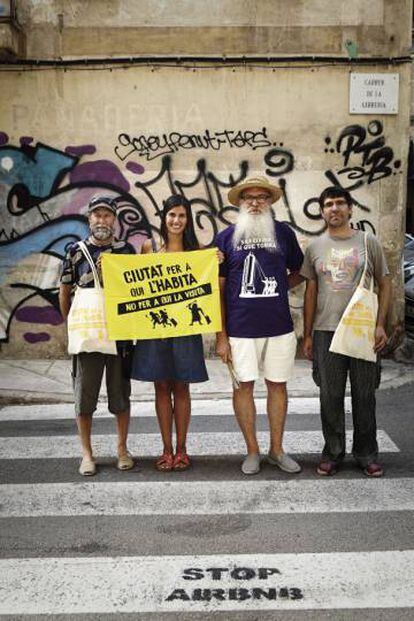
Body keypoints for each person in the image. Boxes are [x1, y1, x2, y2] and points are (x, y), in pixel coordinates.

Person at [215, 176, 304, 475]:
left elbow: (300, 271)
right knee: (244, 389)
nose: (254, 202)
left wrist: (277, 287)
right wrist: (221, 335)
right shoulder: (225, 238)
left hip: (279, 326)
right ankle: (252, 451)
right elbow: (217, 289)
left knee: (278, 386)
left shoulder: (283, 233)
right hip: (239, 328)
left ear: (269, 202)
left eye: (261, 197)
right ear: (239, 203)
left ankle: (277, 449)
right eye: (248, 198)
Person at [301, 186, 391, 477]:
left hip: (363, 331)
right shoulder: (314, 247)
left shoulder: (368, 241)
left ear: (351, 208)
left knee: (365, 395)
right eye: (329, 204)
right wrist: (308, 334)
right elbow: (310, 291)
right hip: (326, 331)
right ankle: (333, 452)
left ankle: (366, 454)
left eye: (340, 203)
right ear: (322, 210)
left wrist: (380, 325)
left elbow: (385, 283)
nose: (335, 208)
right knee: (330, 396)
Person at [130, 195, 210, 472]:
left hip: (186, 329)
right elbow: (134, 286)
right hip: (155, 328)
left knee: (182, 386)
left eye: (182, 216)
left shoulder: (197, 251)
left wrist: (216, 260)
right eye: (172, 215)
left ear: (188, 220)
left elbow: (208, 284)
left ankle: (182, 449)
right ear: (163, 218)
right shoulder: (148, 248)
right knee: (161, 386)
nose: (177, 221)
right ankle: (165, 448)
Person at [59, 195, 135, 476]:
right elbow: (65, 290)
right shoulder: (75, 251)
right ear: (89, 219)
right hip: (88, 333)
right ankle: (87, 454)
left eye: (107, 215)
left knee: (120, 395)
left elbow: (135, 291)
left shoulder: (126, 251)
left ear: (114, 219)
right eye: (97, 215)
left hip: (120, 336)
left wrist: (114, 274)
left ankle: (122, 449)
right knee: (85, 397)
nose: (101, 220)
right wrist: (72, 326)